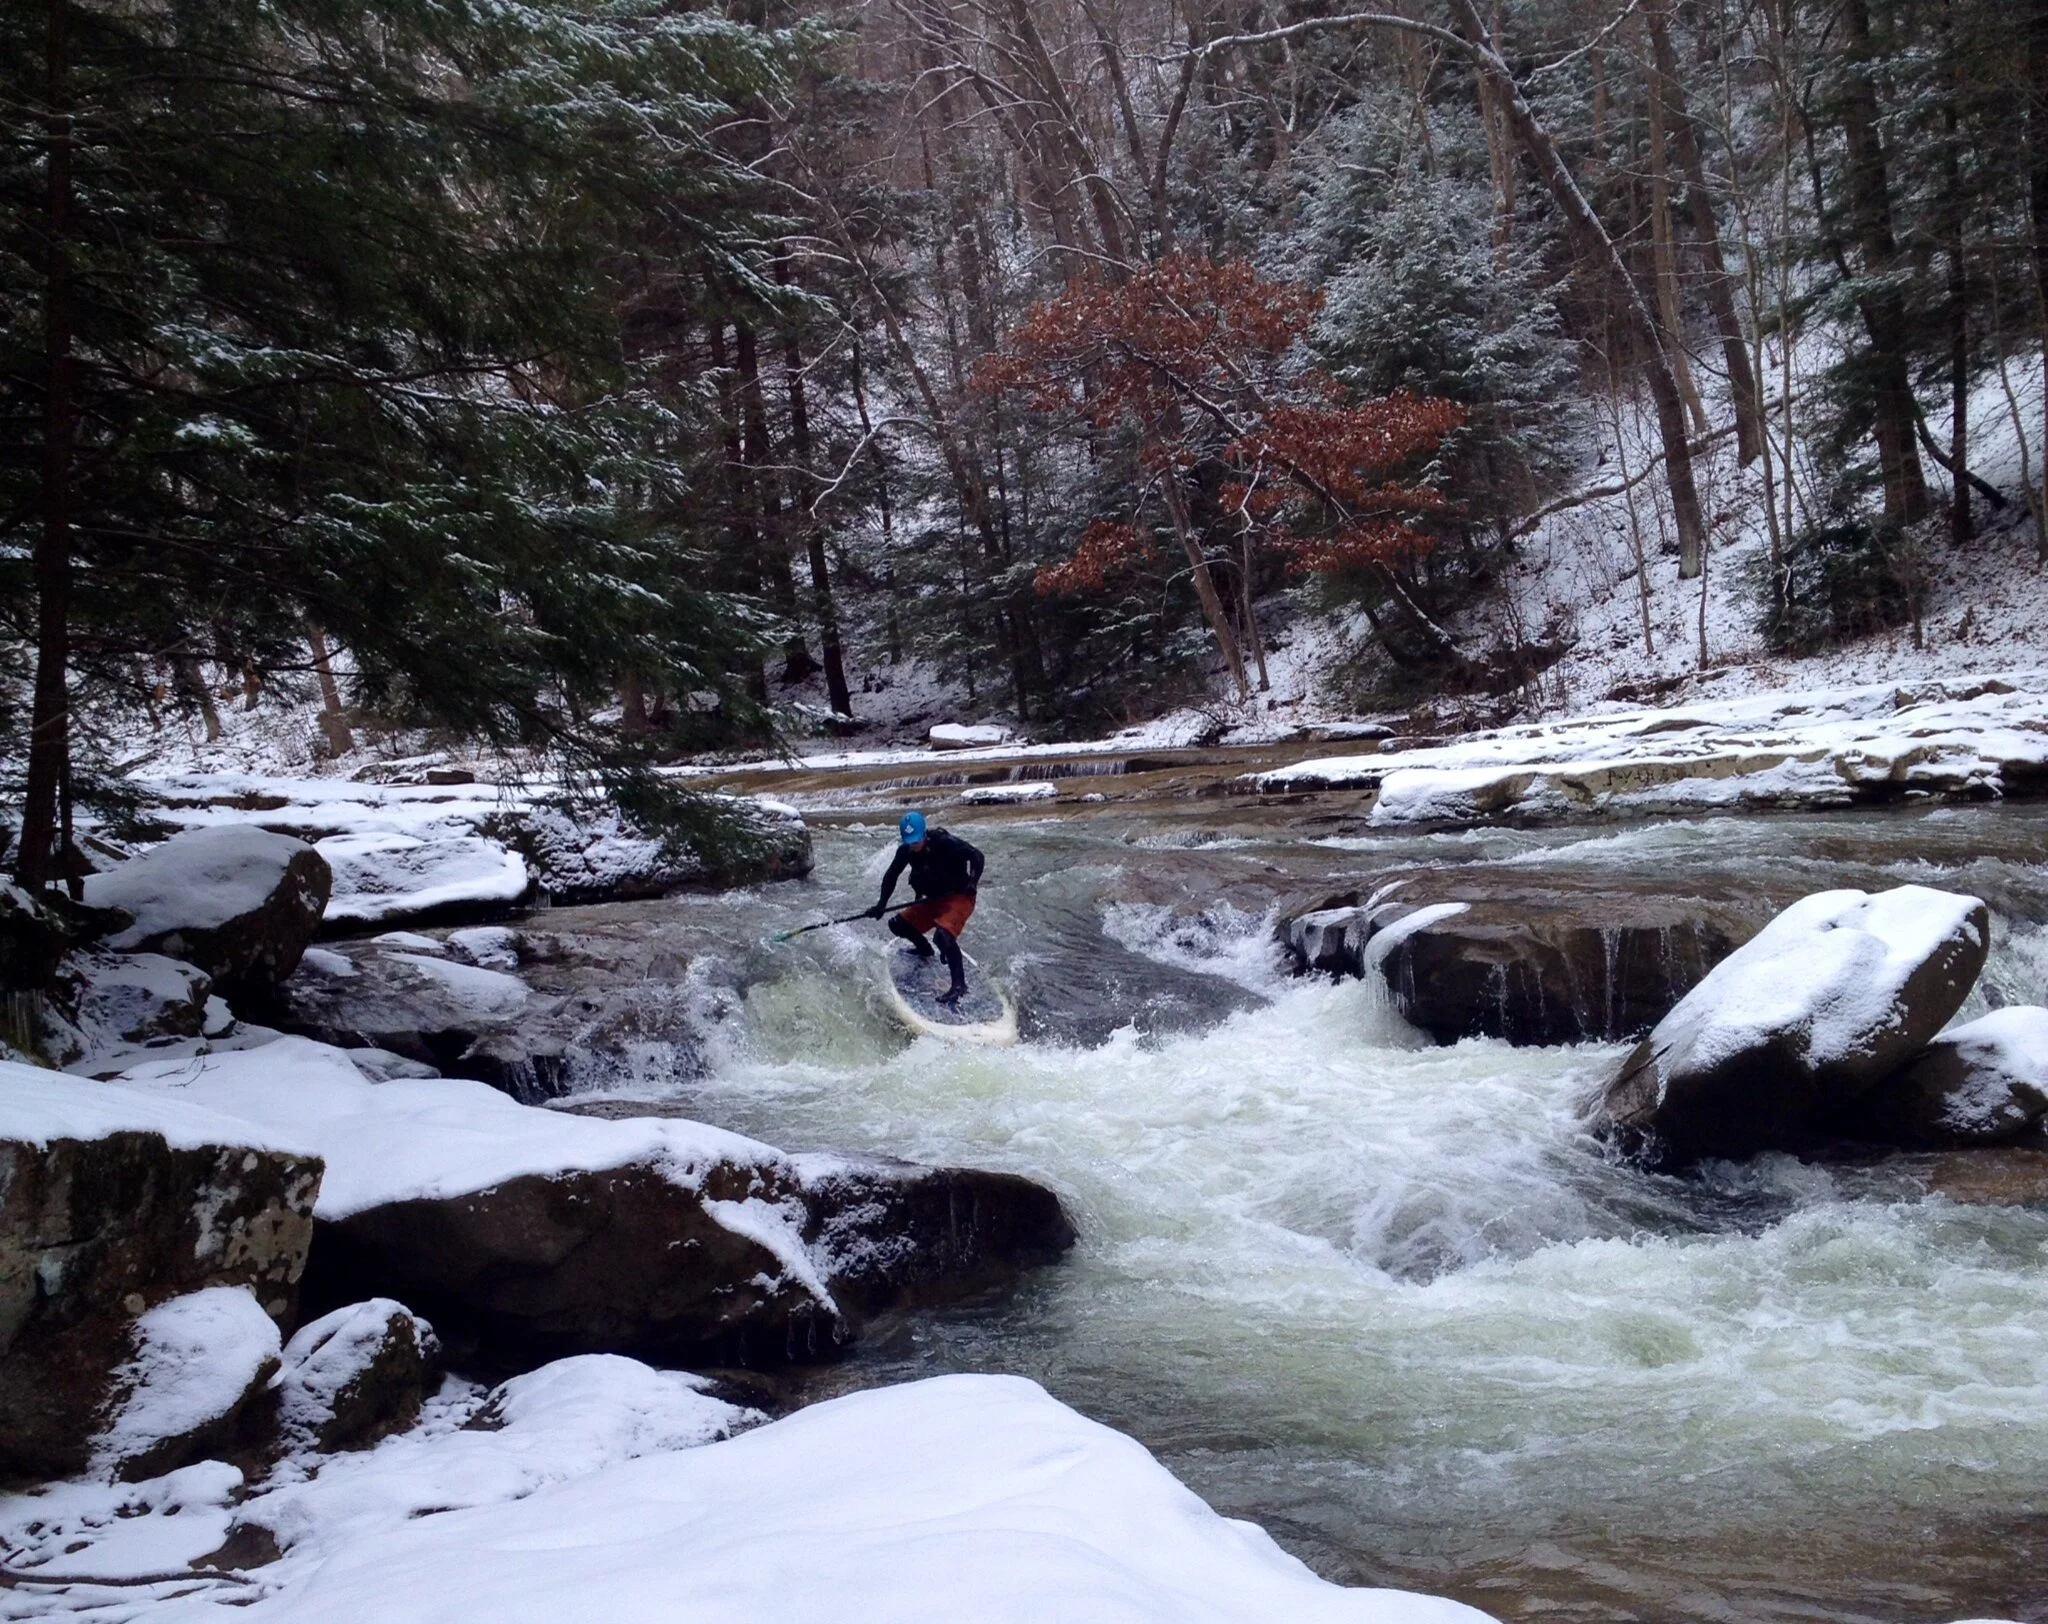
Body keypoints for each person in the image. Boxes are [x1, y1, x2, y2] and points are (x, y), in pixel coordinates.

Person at [867, 810, 984, 1005]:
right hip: (932, 899)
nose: (914, 845)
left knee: (943, 936)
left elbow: (977, 855)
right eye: (910, 841)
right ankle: (924, 950)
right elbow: (891, 875)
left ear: (924, 834)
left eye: (917, 840)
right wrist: (881, 904)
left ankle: (959, 986)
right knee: (897, 924)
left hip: (959, 896)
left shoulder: (944, 842)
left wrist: (973, 882)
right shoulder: (905, 851)